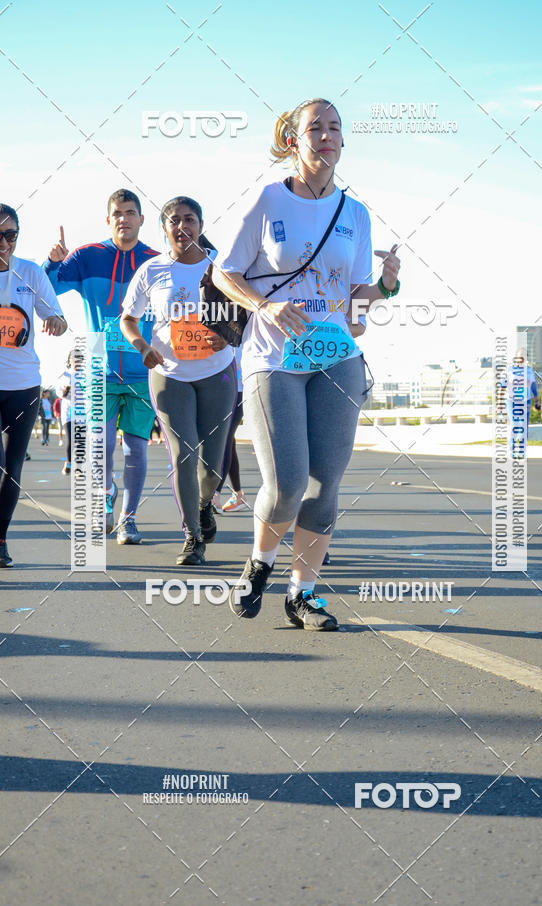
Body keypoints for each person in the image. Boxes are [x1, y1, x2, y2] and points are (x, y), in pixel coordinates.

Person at [213, 97, 400, 630]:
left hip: (336, 355)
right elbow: (226, 272)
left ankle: (304, 594)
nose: (326, 135)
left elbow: (354, 308)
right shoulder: (268, 201)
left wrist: (386, 287)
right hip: (273, 355)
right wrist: (265, 305)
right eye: (314, 127)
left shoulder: (355, 214)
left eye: (335, 127)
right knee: (288, 482)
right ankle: (260, 562)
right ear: (293, 140)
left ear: (343, 140)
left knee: (325, 487)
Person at [121, 195, 236, 566]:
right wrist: (141, 346)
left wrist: (228, 335)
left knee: (213, 465)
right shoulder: (152, 270)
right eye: (174, 220)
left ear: (200, 225)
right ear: (164, 228)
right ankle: (192, 536)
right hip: (169, 376)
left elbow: (247, 315)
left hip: (217, 373)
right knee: (183, 455)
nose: (182, 226)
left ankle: (204, 504)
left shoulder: (222, 267)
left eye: (189, 219)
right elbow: (128, 318)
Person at [43, 189, 159, 544]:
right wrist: (52, 262)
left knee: (135, 449)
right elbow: (46, 290)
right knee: (101, 444)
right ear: (108, 220)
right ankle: (105, 494)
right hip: (98, 364)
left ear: (141, 219)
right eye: (117, 213)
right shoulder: (86, 257)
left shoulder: (156, 262)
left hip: (143, 367)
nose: (124, 218)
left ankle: (129, 518)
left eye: (130, 212)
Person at [0, 203, 67, 567]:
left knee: (12, 467)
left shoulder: (29, 273)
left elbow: (56, 316)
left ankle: (0, 539)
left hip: (24, 384)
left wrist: (56, 323)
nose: (5, 243)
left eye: (11, 235)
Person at [213, 346, 247, 514]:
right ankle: (238, 494)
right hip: (221, 380)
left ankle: (215, 493)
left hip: (239, 385)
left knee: (224, 438)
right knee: (229, 440)